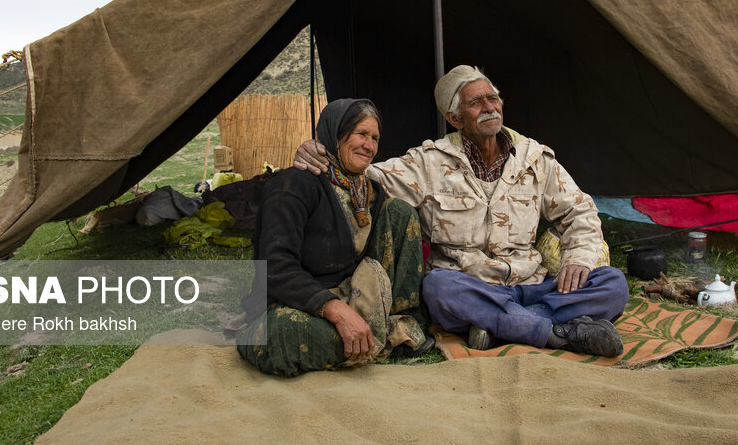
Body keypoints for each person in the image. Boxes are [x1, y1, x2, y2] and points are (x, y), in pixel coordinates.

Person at [294, 66, 629, 357]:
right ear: (454, 118)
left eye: (492, 99)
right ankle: (556, 329)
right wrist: (319, 152)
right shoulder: (428, 163)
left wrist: (579, 258)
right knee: (437, 288)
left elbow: (579, 211)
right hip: (469, 287)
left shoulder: (534, 159)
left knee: (613, 283)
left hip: (534, 283)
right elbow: (365, 174)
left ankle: (505, 324)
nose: (489, 108)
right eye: (476, 102)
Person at [237, 98, 431, 377]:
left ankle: (396, 325)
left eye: (375, 138)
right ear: (334, 133)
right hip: (298, 304)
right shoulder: (294, 185)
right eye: (361, 134)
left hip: (356, 298)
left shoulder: (369, 192)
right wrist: (335, 310)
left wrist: (351, 308)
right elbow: (274, 268)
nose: (369, 145)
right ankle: (382, 340)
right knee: (283, 331)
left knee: (400, 212)